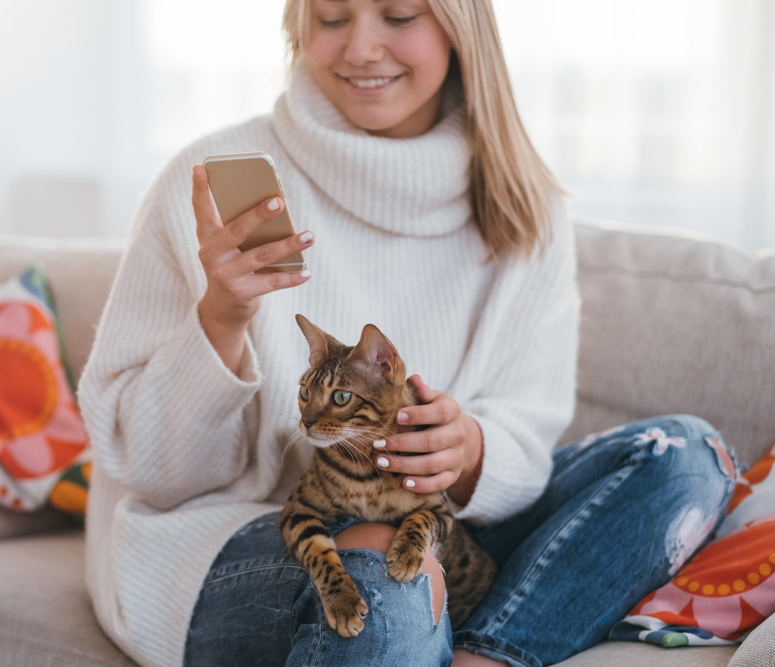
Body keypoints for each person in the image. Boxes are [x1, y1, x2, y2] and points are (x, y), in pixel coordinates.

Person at [77, 0, 736, 665]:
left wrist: (473, 452)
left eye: (397, 15)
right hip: (242, 535)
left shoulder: (524, 207)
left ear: (460, 29)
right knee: (385, 577)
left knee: (687, 453)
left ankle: (486, 653)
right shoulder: (211, 179)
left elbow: (530, 434)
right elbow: (152, 474)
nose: (361, 47)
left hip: (447, 529)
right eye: (333, 18)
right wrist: (220, 319)